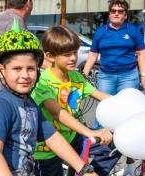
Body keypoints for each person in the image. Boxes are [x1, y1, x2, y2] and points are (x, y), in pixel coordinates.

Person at [0, 23, 98, 176]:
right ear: (1, 69)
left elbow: (53, 138)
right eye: (17, 69)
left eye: (30, 68)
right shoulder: (0, 105)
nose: (25, 75)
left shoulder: (30, 104)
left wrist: (84, 169)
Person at [31, 25, 118, 176]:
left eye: (74, 53)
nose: (73, 58)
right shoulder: (43, 82)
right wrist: (90, 132)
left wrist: (128, 106)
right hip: (49, 146)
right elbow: (58, 113)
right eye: (66, 54)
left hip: (74, 136)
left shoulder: (76, 77)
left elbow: (102, 96)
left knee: (113, 146)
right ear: (50, 56)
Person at [83, 0, 145, 95]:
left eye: (120, 11)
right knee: (107, 106)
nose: (116, 13)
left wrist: (143, 75)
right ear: (109, 14)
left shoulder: (133, 30)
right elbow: (93, 54)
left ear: (125, 15)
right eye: (113, 11)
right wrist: (84, 74)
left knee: (126, 107)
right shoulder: (100, 31)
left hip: (128, 77)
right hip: (105, 77)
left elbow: (141, 53)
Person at [0, 0, 33, 102]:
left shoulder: (7, 16)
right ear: (28, 3)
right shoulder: (14, 22)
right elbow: (20, 57)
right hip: (1, 85)